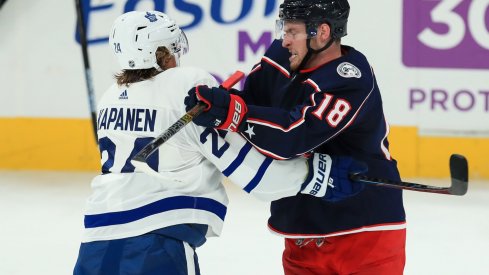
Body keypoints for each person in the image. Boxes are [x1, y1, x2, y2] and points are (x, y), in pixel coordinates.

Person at [73, 10, 367, 275]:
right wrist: (316, 176)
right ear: (162, 53)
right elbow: (253, 172)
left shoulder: (111, 98)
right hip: (154, 243)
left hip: (93, 246)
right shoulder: (185, 84)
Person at [184, 0, 406, 274]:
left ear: (323, 32)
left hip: (364, 227)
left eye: (292, 31)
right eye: (283, 29)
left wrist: (232, 112)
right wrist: (220, 104)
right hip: (301, 227)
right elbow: (253, 106)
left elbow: (292, 136)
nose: (284, 40)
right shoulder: (282, 56)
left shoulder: (349, 77)